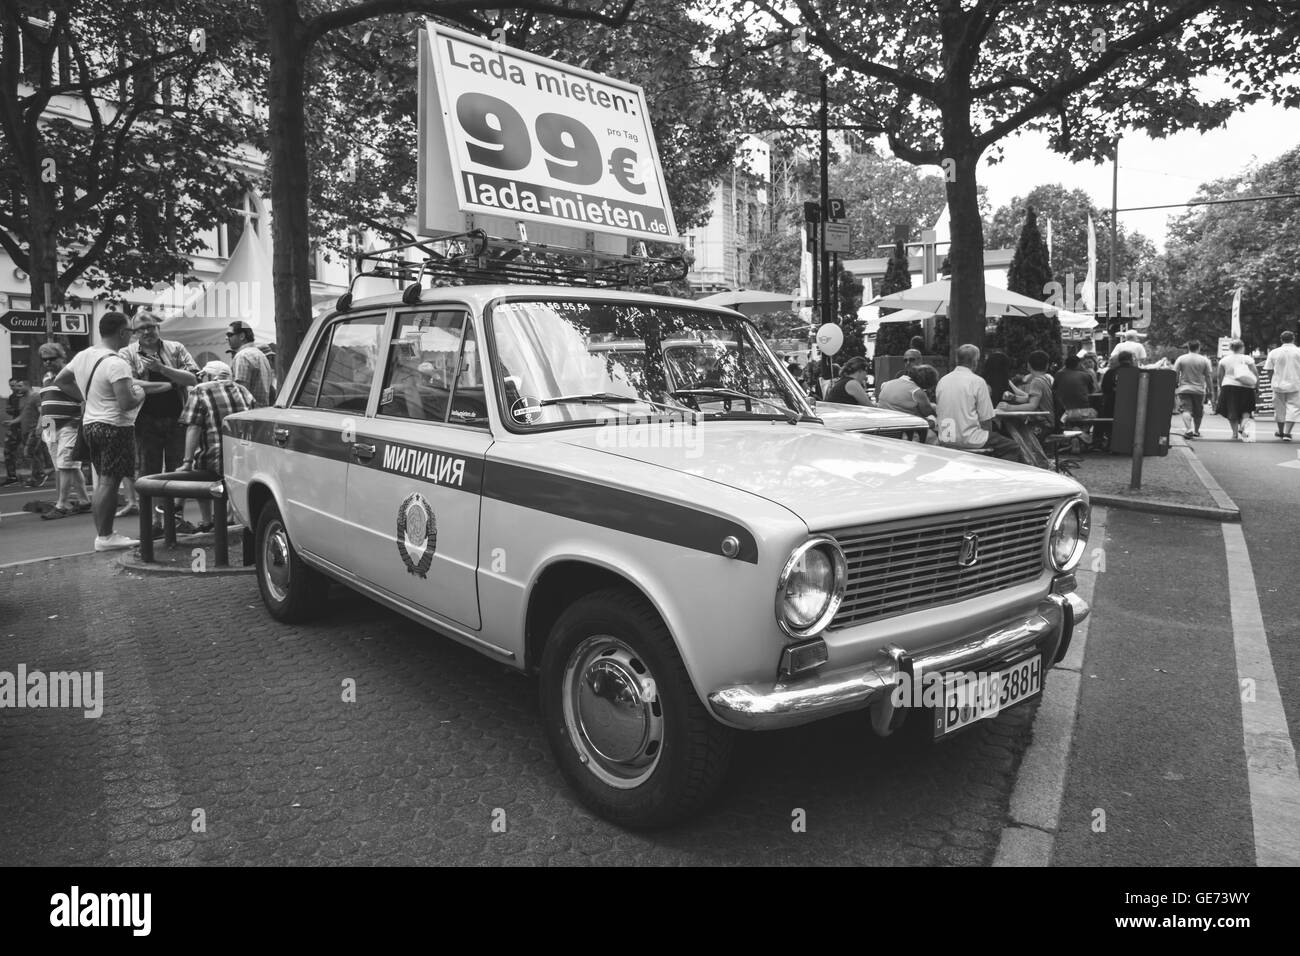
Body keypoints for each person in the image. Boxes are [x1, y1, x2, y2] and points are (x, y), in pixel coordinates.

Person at [54, 311, 174, 551]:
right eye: (130, 331)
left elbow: (61, 379)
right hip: (114, 427)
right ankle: (106, 537)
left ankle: (104, 535)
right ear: (121, 332)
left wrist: (87, 398)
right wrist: (140, 392)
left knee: (102, 483)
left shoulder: (83, 355)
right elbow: (127, 402)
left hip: (90, 425)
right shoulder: (117, 362)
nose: (132, 336)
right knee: (109, 483)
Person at [119, 309, 200, 534]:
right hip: (145, 421)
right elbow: (130, 384)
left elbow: (194, 377)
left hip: (178, 418)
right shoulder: (126, 354)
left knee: (179, 471)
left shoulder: (176, 348)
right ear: (134, 333)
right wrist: (171, 383)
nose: (147, 332)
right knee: (148, 472)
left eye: (151, 327)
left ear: (158, 328)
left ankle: (175, 518)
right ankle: (155, 522)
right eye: (141, 329)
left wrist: (162, 369)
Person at [179, 361, 255, 531]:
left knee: (201, 478)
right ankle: (229, 521)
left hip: (213, 456)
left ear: (210, 376)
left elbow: (193, 427)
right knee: (231, 487)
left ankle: (207, 522)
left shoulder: (200, 390)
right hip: (241, 456)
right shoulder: (243, 391)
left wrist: (187, 461)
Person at [936, 345, 1022, 460]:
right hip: (969, 438)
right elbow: (986, 420)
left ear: (957, 360)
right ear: (975, 361)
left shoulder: (943, 380)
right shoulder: (978, 382)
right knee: (1013, 447)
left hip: (945, 437)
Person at [37, 342, 92, 519]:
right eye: (44, 360)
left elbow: (84, 398)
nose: (47, 362)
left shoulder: (72, 373)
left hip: (70, 423)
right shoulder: (46, 377)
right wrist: (40, 423)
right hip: (49, 424)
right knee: (65, 466)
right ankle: (84, 501)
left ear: (62, 357)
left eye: (51, 359)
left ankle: (62, 505)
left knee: (66, 463)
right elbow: (45, 400)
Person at [1215, 339, 1258, 442]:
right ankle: (1243, 427)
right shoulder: (1247, 359)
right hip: (1246, 386)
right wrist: (1257, 386)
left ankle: (1234, 434)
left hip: (1229, 386)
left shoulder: (1224, 360)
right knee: (1246, 409)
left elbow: (1219, 376)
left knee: (1231, 410)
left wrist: (1221, 387)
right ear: (1242, 347)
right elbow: (1255, 373)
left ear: (1230, 348)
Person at [226, 320, 275, 407]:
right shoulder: (261, 355)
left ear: (242, 336)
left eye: (230, 335)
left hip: (249, 414)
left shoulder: (243, 356)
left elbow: (241, 393)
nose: (226, 338)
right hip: (262, 412)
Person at [1172, 339, 1215, 439]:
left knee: (1186, 410)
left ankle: (1188, 429)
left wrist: (1176, 385)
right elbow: (1208, 376)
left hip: (1184, 389)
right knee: (1198, 412)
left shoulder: (1181, 359)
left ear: (1188, 347)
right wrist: (1211, 390)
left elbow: (1175, 373)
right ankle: (1196, 431)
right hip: (1199, 390)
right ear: (1199, 347)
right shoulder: (1204, 360)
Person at [1264, 330, 1300, 441]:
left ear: (1281, 339)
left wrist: (1272, 381)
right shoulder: (1298, 351)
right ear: (1293, 338)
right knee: (1293, 408)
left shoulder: (1274, 352)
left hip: (1278, 385)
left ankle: (1280, 432)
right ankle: (1287, 433)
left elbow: (1269, 369)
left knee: (1279, 409)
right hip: (1296, 384)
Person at [4, 378, 29, 485]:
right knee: (8, 451)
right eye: (11, 386)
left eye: (15, 386)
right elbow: (10, 409)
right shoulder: (12, 397)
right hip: (14, 427)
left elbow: (25, 413)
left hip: (26, 427)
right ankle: (12, 476)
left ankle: (39, 474)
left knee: (31, 452)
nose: (13, 388)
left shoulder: (28, 397)